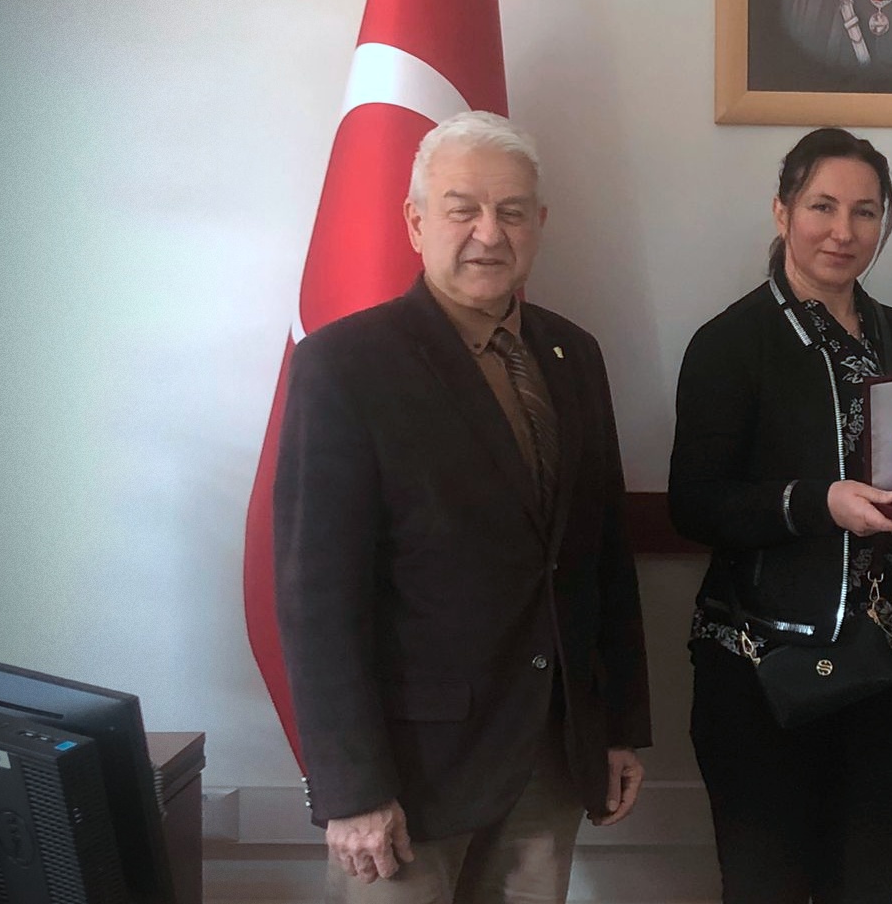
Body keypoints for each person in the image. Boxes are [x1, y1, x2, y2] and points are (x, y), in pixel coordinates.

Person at [274, 111, 652, 903]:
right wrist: (352, 788)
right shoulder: (345, 366)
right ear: (416, 222)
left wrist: (618, 724)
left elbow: (604, 554)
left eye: (511, 211)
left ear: (538, 223)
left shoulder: (574, 354)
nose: (489, 232)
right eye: (462, 209)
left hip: (550, 756)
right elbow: (318, 597)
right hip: (410, 778)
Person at [669, 127, 892, 903]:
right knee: (766, 889)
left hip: (886, 667)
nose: (843, 231)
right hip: (761, 669)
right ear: (782, 211)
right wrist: (819, 503)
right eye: (822, 206)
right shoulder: (730, 342)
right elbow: (693, 501)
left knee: (867, 888)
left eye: (865, 211)